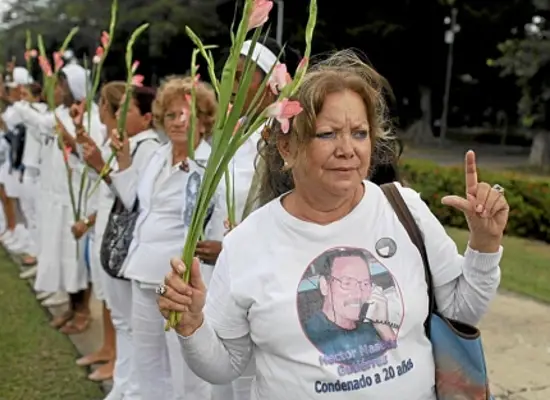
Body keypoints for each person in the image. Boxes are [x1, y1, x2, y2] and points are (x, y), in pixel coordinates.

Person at [157, 50, 508, 399]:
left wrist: (484, 244)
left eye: (359, 133)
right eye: (327, 134)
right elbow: (225, 365)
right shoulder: (247, 243)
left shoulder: (403, 209)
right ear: (286, 146)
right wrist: (192, 326)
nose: (347, 149)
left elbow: (461, 311)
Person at [109, 76, 225, 400]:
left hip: (177, 281)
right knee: (148, 363)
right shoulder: (156, 156)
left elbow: (214, 227)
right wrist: (122, 162)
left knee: (186, 368)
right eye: (171, 115)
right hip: (141, 271)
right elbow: (136, 202)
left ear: (203, 122)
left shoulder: (210, 166)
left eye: (186, 114)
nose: (177, 122)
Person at [34, 63, 103, 333]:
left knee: (77, 258)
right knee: (63, 256)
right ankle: (72, 307)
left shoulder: (92, 121)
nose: (59, 90)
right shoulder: (58, 114)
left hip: (80, 199)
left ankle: (83, 310)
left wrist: (69, 139)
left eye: (63, 85)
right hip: (59, 196)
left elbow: (94, 162)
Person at [69, 81, 127, 383]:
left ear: (111, 107)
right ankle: (107, 347)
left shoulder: (124, 144)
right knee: (104, 296)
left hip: (113, 230)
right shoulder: (107, 141)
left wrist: (99, 163)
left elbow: (124, 191)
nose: (99, 108)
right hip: (100, 224)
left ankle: (116, 358)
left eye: (103, 102)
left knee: (117, 305)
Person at [17, 83, 48, 275]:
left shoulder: (41, 113)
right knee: (28, 211)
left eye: (25, 94)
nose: (22, 98)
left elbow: (28, 116)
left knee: (37, 215)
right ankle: (33, 249)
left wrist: (14, 100)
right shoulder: (29, 110)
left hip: (39, 170)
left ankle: (38, 254)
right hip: (28, 167)